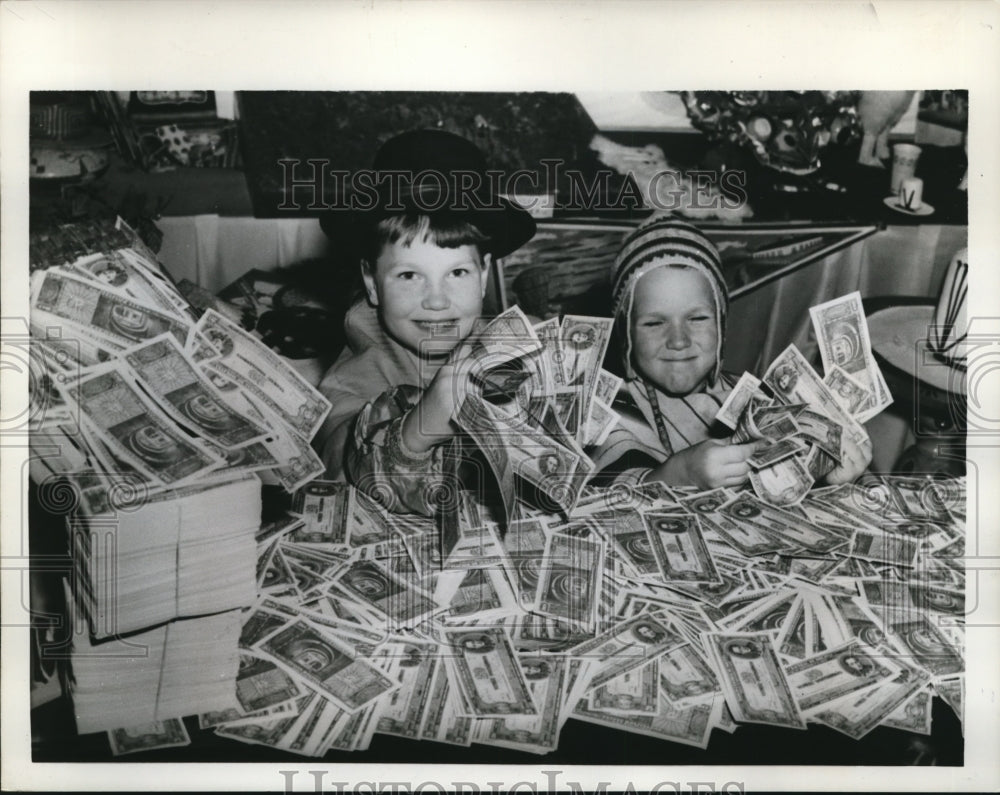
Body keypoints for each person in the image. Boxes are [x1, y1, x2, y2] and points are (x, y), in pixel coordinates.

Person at [314, 130, 535, 515]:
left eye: (458, 273)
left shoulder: (506, 348)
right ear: (372, 282)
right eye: (409, 275)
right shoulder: (353, 377)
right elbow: (340, 465)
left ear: (484, 275)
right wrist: (418, 429)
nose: (436, 299)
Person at [589, 213, 871, 490]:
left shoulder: (756, 399)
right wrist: (678, 475)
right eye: (653, 323)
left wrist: (828, 478)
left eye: (697, 319)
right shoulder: (610, 408)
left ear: (722, 325)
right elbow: (602, 496)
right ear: (626, 335)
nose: (678, 340)